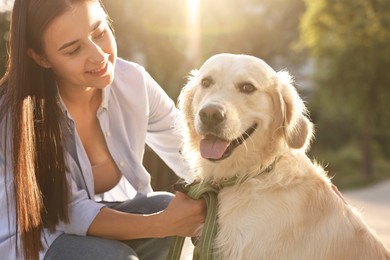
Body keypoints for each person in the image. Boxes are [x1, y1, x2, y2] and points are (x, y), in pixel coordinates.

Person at [0, 0, 206, 259]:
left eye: (99, 33)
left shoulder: (132, 82)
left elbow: (189, 153)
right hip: (33, 237)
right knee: (116, 256)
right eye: (74, 50)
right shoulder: (15, 115)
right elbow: (68, 213)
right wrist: (163, 223)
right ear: (40, 57)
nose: (99, 56)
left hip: (88, 222)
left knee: (164, 205)